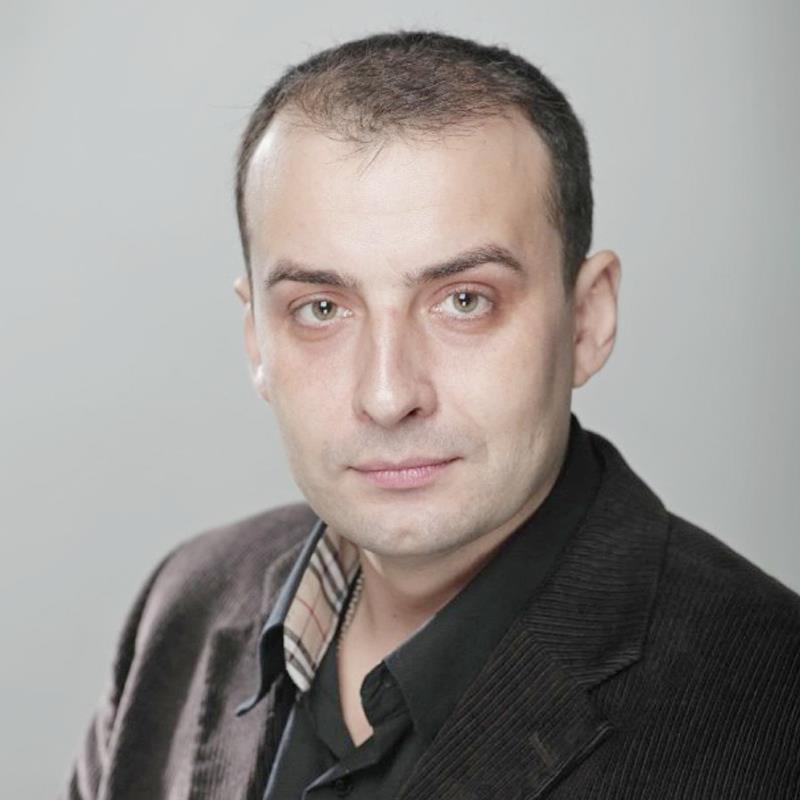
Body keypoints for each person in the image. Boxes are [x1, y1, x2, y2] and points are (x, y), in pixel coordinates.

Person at [62, 29, 800, 800]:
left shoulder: (776, 706)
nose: (388, 395)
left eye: (465, 301)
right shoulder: (183, 608)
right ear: (256, 339)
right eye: (321, 308)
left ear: (587, 319)